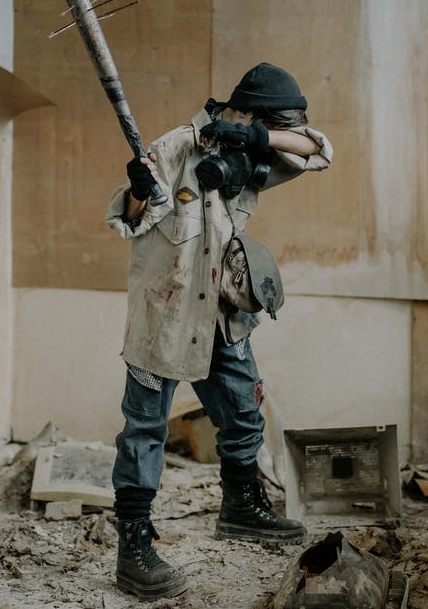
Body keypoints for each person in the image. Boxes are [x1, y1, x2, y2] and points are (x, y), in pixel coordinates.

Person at [102, 62, 333, 601]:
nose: (279, 136)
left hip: (222, 310)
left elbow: (317, 149)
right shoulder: (176, 147)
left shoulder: (257, 150)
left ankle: (241, 507)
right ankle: (133, 548)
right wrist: (138, 190)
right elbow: (130, 218)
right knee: (143, 431)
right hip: (166, 311)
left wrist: (253, 136)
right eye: (267, 124)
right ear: (243, 108)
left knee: (242, 410)